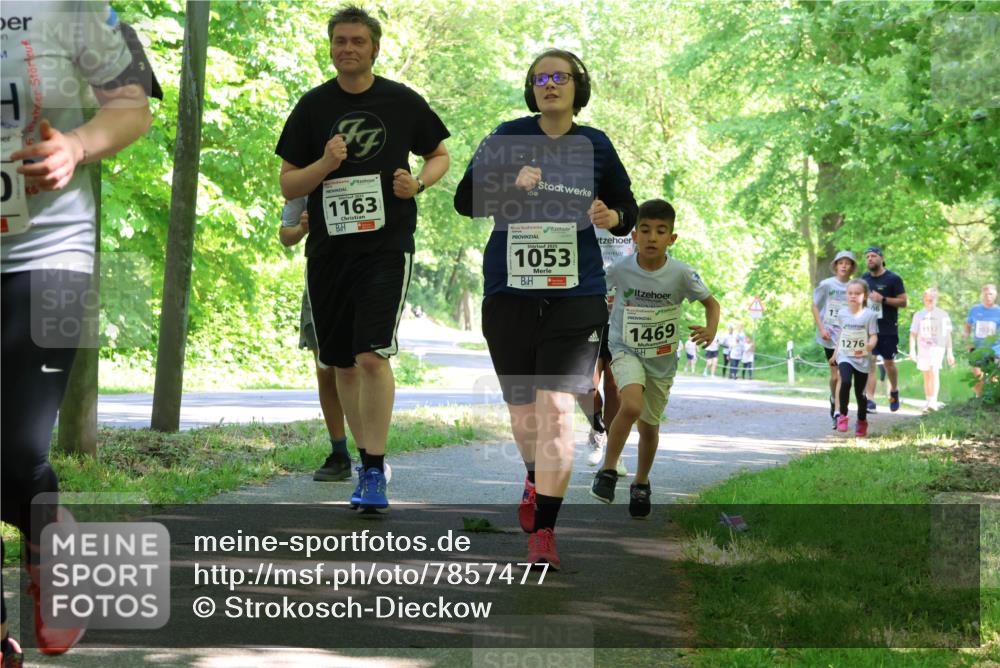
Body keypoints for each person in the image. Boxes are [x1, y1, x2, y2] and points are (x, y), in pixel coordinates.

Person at [1, 3, 157, 661]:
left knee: (14, 449)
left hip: (51, 256)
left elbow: (135, 106)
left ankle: (51, 541)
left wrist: (76, 145)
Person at [454, 48, 638, 568]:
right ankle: (535, 478)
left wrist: (611, 213)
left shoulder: (595, 145)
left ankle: (546, 531)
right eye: (540, 78)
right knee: (523, 411)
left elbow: (628, 211)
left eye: (559, 77)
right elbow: (466, 200)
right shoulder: (507, 136)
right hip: (509, 290)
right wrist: (509, 184)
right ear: (530, 88)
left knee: (557, 408)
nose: (549, 84)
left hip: (576, 292)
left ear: (578, 86)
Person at [276, 6, 450, 514]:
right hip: (329, 249)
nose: (347, 49)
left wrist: (419, 182)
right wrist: (326, 164)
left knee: (372, 354)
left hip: (385, 245)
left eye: (357, 41)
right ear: (330, 47)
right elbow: (289, 183)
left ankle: (374, 468)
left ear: (374, 48)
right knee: (340, 363)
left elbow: (439, 153)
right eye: (339, 41)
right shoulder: (312, 107)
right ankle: (361, 458)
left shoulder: (400, 101)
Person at [590, 199, 719, 517]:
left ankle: (641, 483)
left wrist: (711, 330)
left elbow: (711, 304)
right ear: (633, 236)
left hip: (661, 360)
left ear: (671, 239)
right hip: (625, 350)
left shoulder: (682, 274)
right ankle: (607, 471)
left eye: (661, 231)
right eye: (645, 230)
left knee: (649, 426)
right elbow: (594, 293)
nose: (652, 237)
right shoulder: (621, 269)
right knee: (630, 405)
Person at [279, 198, 353, 480]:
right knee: (326, 370)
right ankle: (339, 453)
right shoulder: (308, 173)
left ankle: (371, 454)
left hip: (366, 275)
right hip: (320, 280)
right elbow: (286, 234)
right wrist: (302, 228)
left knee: (360, 367)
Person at [583, 214, 634, 475]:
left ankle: (615, 452)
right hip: (586, 308)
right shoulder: (579, 220)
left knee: (615, 385)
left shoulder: (632, 224)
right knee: (584, 383)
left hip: (621, 314)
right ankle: (598, 428)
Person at [811, 250, 857, 428]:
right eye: (841, 262)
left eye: (848, 262)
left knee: (844, 374)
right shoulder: (826, 284)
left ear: (852, 267)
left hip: (847, 336)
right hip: (829, 335)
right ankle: (833, 398)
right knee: (835, 375)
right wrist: (821, 328)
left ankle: (838, 411)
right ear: (836, 266)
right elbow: (815, 306)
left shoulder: (855, 286)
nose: (844, 265)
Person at [861, 246, 908, 412]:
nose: (870, 259)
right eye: (867, 257)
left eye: (873, 256)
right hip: (869, 328)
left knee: (889, 363)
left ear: (881, 258)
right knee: (870, 362)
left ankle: (894, 391)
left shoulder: (893, 278)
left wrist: (883, 299)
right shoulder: (864, 279)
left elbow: (903, 302)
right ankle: (870, 400)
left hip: (888, 327)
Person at [830, 280, 879, 436]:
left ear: (864, 296)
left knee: (860, 393)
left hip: (862, 358)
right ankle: (842, 416)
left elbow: (873, 336)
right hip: (845, 355)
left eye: (857, 293)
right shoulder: (842, 313)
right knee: (844, 381)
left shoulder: (870, 315)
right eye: (850, 293)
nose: (853, 296)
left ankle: (862, 420)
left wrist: (869, 346)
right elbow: (841, 335)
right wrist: (835, 354)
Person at [908, 288, 955, 412]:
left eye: (932, 300)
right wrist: (912, 350)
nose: (930, 302)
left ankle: (933, 402)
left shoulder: (942, 315)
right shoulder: (919, 315)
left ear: (936, 300)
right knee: (926, 374)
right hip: (923, 349)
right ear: (924, 300)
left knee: (934, 371)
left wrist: (950, 352)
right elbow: (913, 333)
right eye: (927, 300)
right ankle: (928, 401)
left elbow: (948, 335)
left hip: (938, 348)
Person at [966, 283, 1000, 398]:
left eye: (990, 294)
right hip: (977, 347)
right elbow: (968, 326)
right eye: (985, 294)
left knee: (993, 375)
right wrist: (967, 341)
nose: (988, 296)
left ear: (995, 295)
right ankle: (979, 397)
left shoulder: (998, 311)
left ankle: (991, 398)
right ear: (982, 295)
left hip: (994, 349)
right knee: (976, 374)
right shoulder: (974, 310)